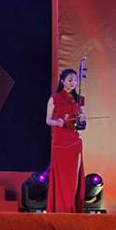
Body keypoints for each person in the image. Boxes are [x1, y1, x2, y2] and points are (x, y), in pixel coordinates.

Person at [46, 67, 85, 213]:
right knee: (61, 175)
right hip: (60, 140)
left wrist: (82, 118)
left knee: (73, 175)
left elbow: (83, 119)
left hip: (74, 140)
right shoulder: (54, 98)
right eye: (70, 80)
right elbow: (48, 120)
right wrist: (57, 122)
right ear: (62, 81)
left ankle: (72, 207)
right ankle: (61, 207)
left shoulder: (80, 99)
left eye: (75, 80)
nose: (73, 82)